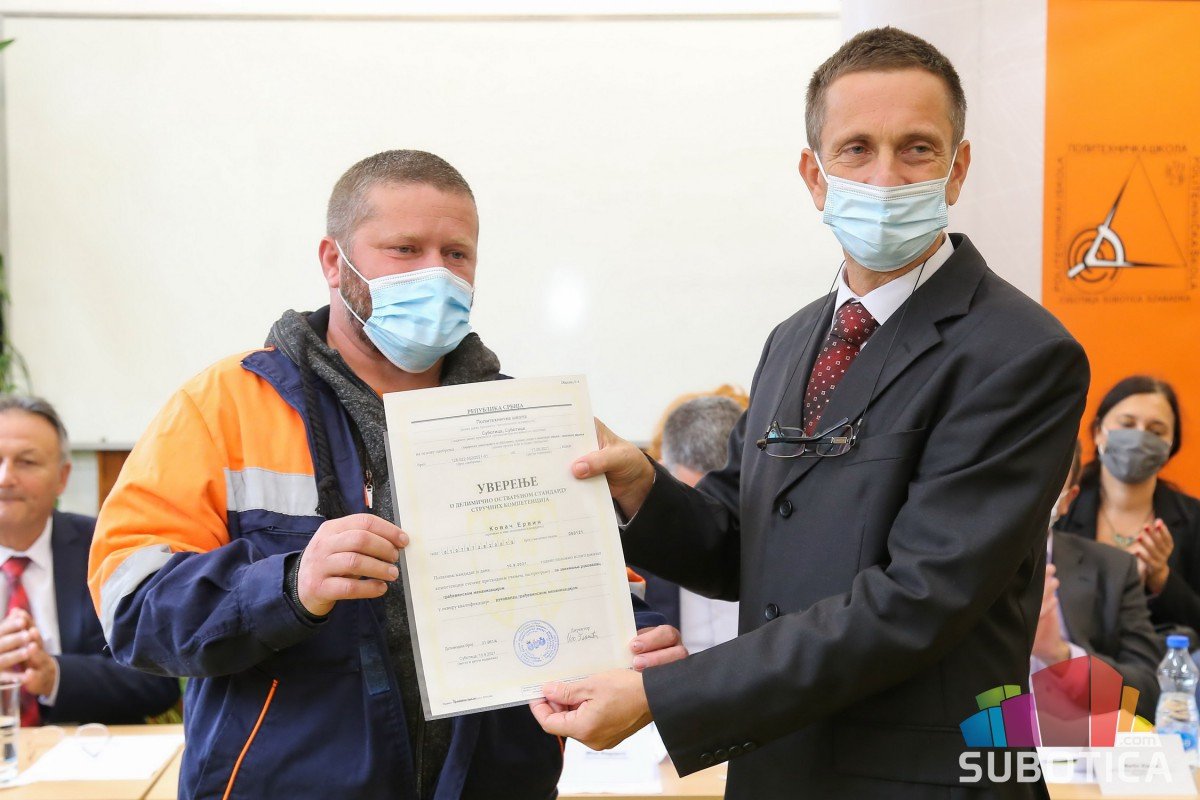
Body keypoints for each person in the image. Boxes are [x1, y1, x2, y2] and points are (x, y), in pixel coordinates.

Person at [532, 27, 1090, 798]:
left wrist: (668, 697)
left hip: (929, 780)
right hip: (779, 769)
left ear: (958, 169)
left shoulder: (1021, 353)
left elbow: (918, 600)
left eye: (917, 149)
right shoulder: (794, 340)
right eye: (856, 149)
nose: (886, 177)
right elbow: (744, 538)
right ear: (814, 174)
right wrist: (642, 489)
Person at [88, 150, 683, 800]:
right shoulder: (223, 406)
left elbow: (593, 589)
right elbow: (131, 607)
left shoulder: (523, 417)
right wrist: (288, 585)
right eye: (405, 249)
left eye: (456, 254)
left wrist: (638, 641)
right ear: (332, 261)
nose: (437, 274)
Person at [0, 396, 179, 725]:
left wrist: (54, 676)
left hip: (90, 747)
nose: (5, 478)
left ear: (62, 477)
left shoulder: (107, 548)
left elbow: (158, 682)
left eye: (26, 462)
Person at [1056, 376, 1200, 636]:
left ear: (1170, 445)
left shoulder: (1194, 519)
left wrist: (1162, 579)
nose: (1139, 437)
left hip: (1166, 658)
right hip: (1074, 654)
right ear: (1098, 432)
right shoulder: (1063, 507)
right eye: (1127, 424)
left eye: (1156, 431)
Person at [1035, 442, 1162, 718]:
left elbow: (1148, 692)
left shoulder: (1113, 569)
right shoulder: (956, 565)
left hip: (1077, 732)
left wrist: (1061, 656)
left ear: (1068, 499)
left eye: (1048, 474)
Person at [642, 395, 743, 654]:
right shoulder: (631, 559)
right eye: (694, 497)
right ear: (663, 474)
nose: (712, 518)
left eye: (732, 500)